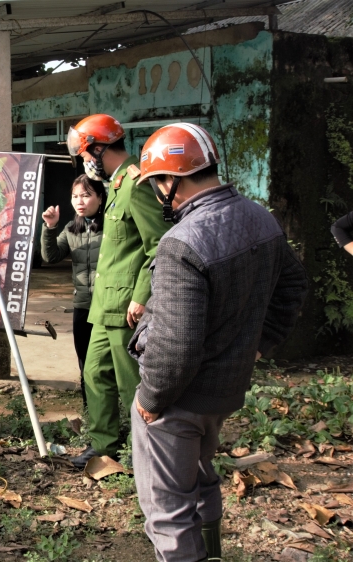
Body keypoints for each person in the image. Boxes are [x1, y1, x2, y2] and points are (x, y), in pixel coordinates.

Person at [129, 123, 307, 562]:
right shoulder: (259, 217)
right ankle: (212, 553)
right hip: (225, 391)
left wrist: (150, 401)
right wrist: (259, 346)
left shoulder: (181, 243)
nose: (155, 193)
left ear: (171, 180)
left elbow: (176, 345)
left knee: (168, 511)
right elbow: (293, 286)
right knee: (202, 478)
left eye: (156, 184)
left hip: (179, 399)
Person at [64, 115, 173, 470]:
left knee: (130, 384)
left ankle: (151, 452)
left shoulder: (135, 184)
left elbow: (157, 245)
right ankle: (104, 445)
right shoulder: (115, 185)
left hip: (126, 304)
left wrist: (142, 296)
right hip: (104, 304)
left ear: (98, 150)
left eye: (84, 155)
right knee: (95, 375)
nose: (84, 163)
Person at [40, 174, 106, 410]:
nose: (80, 201)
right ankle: (91, 411)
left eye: (86, 196)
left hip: (108, 306)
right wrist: (50, 227)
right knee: (85, 362)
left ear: (100, 197)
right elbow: (51, 256)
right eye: (75, 196)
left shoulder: (112, 226)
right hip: (83, 306)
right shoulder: (71, 229)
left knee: (111, 364)